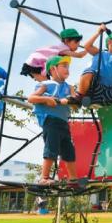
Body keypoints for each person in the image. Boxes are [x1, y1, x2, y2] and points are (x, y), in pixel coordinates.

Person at [28, 55, 77, 185]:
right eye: (64, 66)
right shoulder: (46, 85)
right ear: (53, 69)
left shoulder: (70, 87)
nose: (67, 69)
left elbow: (75, 102)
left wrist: (74, 101)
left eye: (68, 66)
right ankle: (44, 177)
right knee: (52, 147)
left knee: (69, 149)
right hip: (50, 120)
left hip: (63, 122)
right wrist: (47, 99)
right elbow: (31, 98)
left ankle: (73, 178)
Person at [20, 28, 87, 81]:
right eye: (76, 42)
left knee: (49, 84)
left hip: (39, 64)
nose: (77, 46)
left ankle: (45, 96)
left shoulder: (63, 50)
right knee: (47, 84)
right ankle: (38, 96)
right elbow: (79, 55)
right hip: (34, 64)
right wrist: (88, 49)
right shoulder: (63, 49)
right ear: (66, 41)